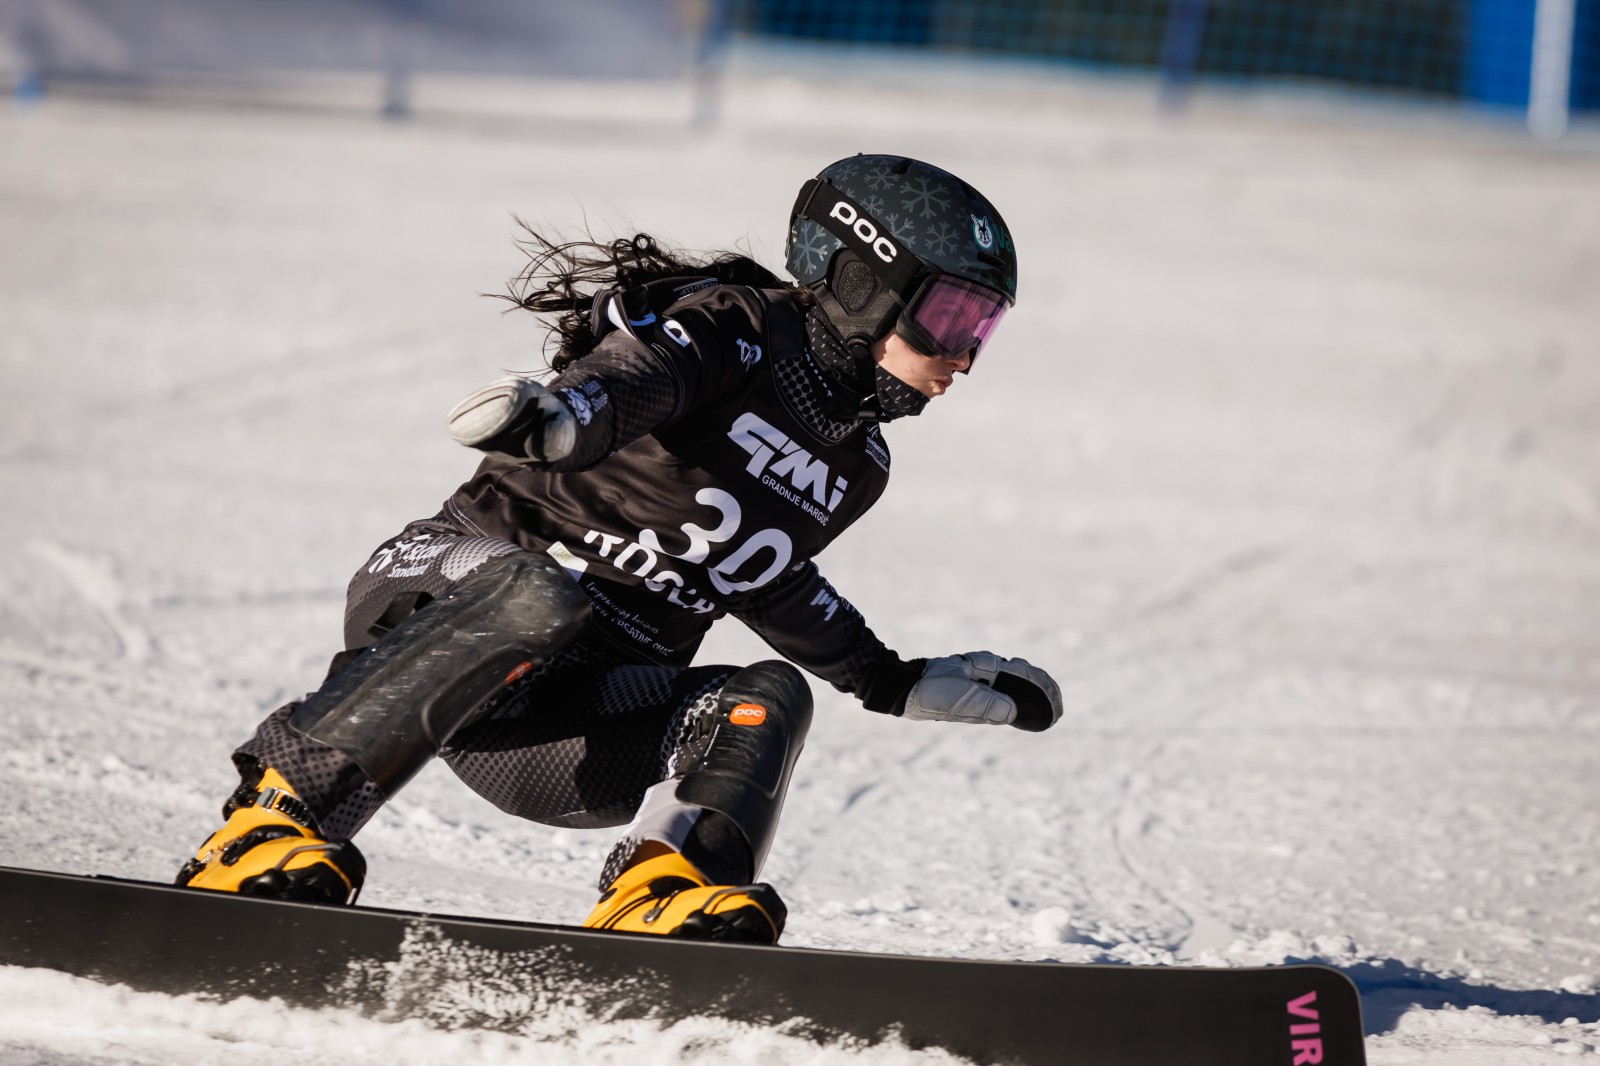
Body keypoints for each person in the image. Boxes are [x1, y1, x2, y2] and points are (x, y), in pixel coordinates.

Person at [176, 153, 1063, 944]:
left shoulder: (858, 463)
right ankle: (274, 822)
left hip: (564, 723)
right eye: (950, 316)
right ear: (862, 280)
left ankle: (664, 890)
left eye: (982, 326)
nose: (965, 356)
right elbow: (643, 376)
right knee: (541, 593)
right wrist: (567, 417)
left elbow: (762, 576)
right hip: (448, 594)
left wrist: (889, 678)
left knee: (765, 697)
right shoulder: (740, 326)